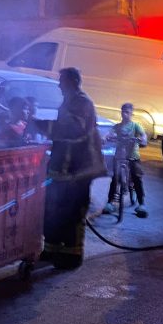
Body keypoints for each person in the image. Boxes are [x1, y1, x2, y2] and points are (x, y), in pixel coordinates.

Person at [42, 67, 106, 269]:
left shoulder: (82, 102)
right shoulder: (70, 100)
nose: (59, 85)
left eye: (62, 81)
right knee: (54, 208)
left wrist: (40, 126)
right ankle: (52, 249)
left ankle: (72, 255)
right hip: (64, 167)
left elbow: (73, 130)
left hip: (79, 170)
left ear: (72, 81)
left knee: (72, 212)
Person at [103, 103, 149, 218]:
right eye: (123, 112)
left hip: (133, 156)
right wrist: (105, 137)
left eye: (127, 112)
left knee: (137, 178)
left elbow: (143, 136)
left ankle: (142, 204)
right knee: (114, 178)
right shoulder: (117, 126)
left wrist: (142, 140)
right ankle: (110, 202)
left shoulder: (135, 126)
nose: (125, 114)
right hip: (119, 156)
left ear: (131, 114)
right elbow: (109, 133)